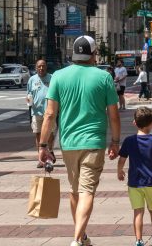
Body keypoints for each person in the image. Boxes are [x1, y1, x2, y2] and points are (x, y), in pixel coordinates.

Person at [39, 35, 121, 246]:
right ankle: (77, 239)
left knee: (75, 191)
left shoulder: (58, 76)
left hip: (68, 143)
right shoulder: (104, 77)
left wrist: (43, 145)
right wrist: (115, 141)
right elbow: (114, 115)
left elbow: (49, 114)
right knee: (86, 191)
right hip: (93, 142)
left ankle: (82, 236)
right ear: (94, 55)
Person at [117, 106, 152, 246]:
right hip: (151, 182)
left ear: (135, 122)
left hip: (134, 183)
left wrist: (119, 170)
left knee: (138, 212)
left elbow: (121, 158)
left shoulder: (129, 140)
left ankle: (138, 240)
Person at [27, 59, 55, 168]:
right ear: (36, 68)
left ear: (46, 67)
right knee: (38, 133)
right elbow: (29, 94)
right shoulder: (32, 80)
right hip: (36, 111)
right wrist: (28, 100)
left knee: (50, 134)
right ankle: (41, 157)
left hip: (49, 111)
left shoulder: (52, 78)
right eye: (39, 66)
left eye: (43, 66)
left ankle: (50, 150)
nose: (41, 68)